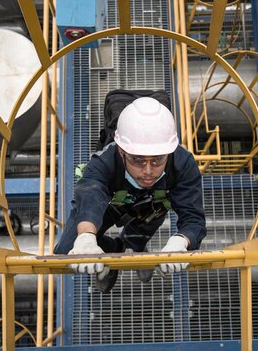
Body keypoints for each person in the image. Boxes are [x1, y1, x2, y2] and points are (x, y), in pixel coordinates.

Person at [54, 97, 206, 293]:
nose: (148, 171)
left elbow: (193, 217)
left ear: (169, 151)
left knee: (143, 226)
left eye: (158, 160)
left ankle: (137, 245)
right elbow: (91, 193)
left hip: (154, 201)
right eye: (138, 160)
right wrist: (86, 236)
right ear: (121, 151)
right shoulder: (103, 161)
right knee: (65, 251)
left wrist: (182, 241)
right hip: (112, 202)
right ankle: (113, 247)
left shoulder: (183, 163)